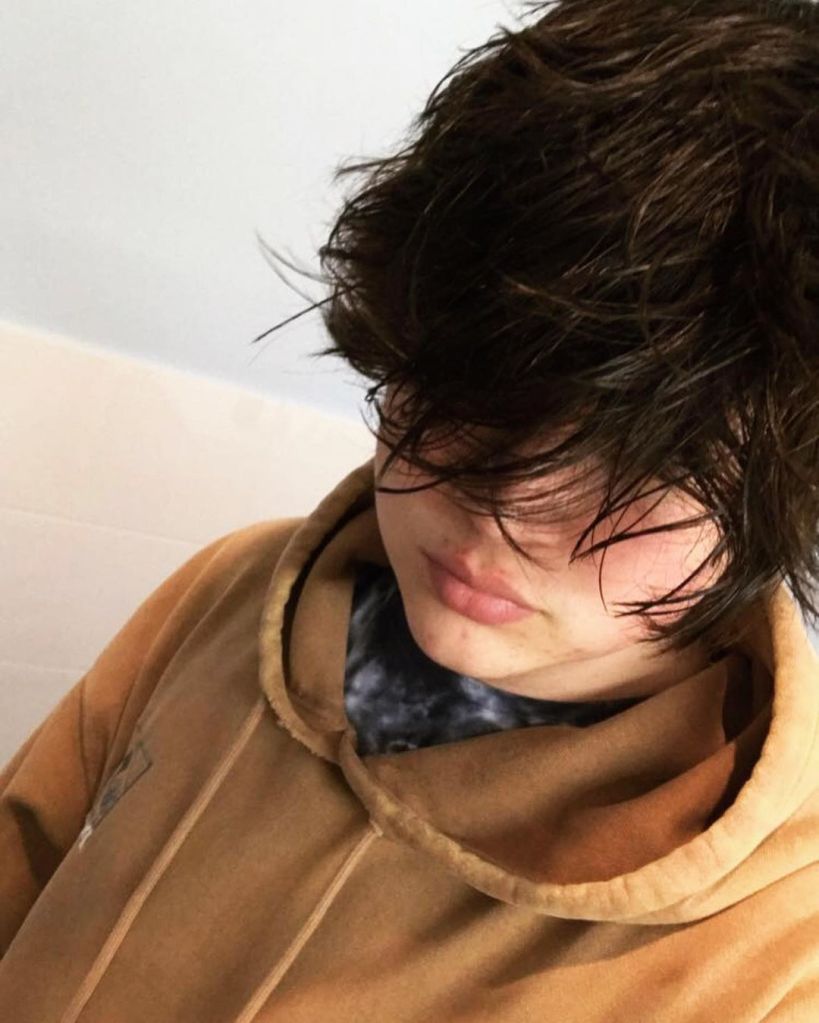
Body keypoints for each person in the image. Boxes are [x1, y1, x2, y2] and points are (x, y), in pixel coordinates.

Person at [2, 0, 818, 1018]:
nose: (502, 507)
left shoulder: (780, 962)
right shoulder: (233, 591)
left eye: (647, 464)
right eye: (476, 393)